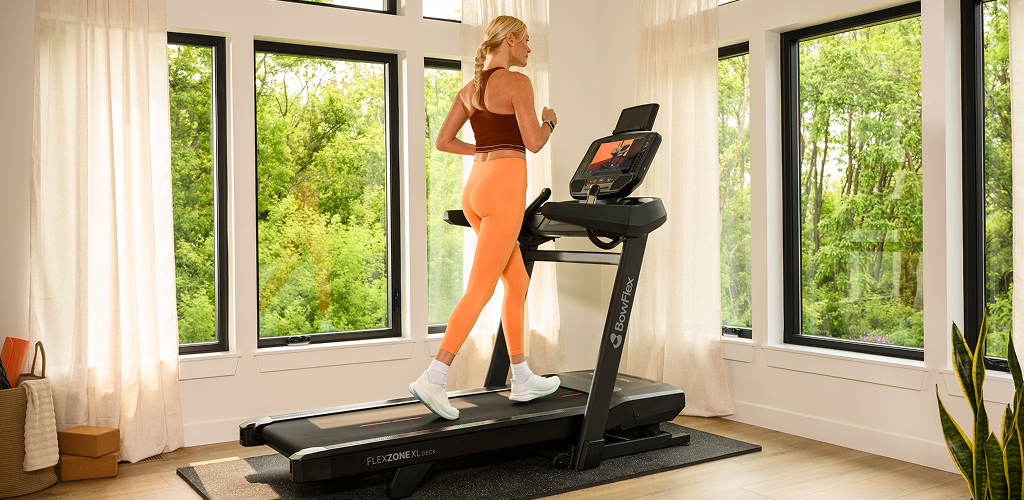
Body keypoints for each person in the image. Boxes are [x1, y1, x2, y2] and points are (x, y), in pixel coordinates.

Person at [409, 15, 560, 420]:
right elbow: (533, 142)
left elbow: (443, 142)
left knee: (517, 280)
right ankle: (434, 376)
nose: (529, 49)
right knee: (482, 288)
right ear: (509, 40)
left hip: (476, 187)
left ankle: (522, 375)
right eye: (526, 41)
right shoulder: (517, 83)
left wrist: (479, 153)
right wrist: (549, 121)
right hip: (505, 186)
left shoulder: (470, 88)